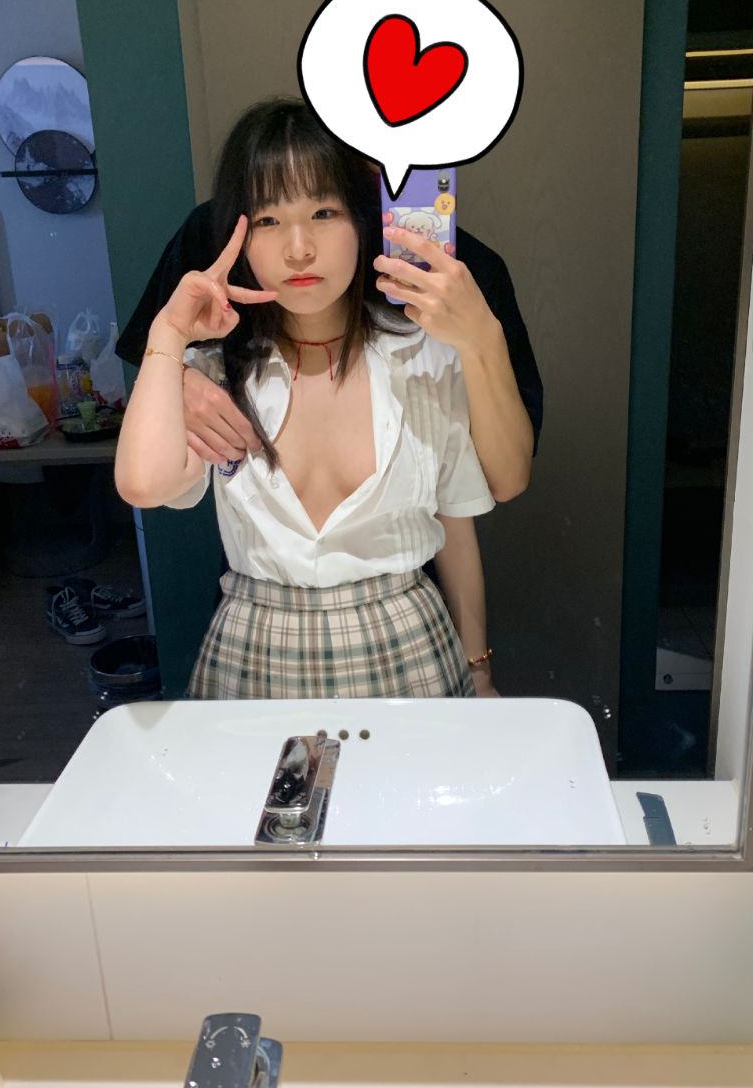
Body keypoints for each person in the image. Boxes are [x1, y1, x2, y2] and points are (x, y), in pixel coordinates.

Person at [116, 0, 543, 504]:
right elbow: (150, 364)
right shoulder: (225, 235)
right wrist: (178, 381)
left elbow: (504, 477)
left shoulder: (465, 272)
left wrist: (480, 336)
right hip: (262, 536)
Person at [115, 98, 501, 700]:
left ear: (364, 222)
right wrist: (168, 336)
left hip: (409, 644)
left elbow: (456, 524)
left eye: (323, 211)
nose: (298, 248)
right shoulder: (214, 374)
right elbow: (144, 486)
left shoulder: (426, 354)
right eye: (268, 220)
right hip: (251, 650)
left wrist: (480, 672)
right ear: (238, 237)